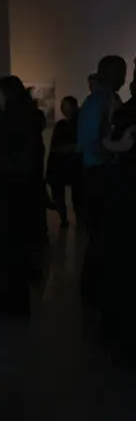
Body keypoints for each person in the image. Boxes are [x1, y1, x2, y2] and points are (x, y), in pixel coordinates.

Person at [0, 77, 46, 316]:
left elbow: (27, 160)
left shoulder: (23, 122)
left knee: (8, 246)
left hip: (11, 195)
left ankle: (5, 299)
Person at [78, 56, 134, 309]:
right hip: (97, 176)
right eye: (120, 72)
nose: (124, 78)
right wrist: (118, 148)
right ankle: (93, 292)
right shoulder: (98, 102)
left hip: (103, 175)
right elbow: (90, 143)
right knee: (101, 236)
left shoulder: (109, 100)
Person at [46, 96, 82, 228]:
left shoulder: (78, 123)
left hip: (73, 162)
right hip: (61, 163)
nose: (62, 108)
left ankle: (78, 220)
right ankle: (64, 219)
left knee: (77, 194)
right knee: (59, 193)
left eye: (65, 105)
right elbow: (54, 146)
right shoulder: (61, 125)